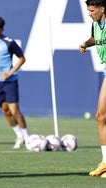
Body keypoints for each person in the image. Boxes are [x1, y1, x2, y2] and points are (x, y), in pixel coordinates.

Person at [0, 17, 30, 149]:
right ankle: (19, 136)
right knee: (5, 110)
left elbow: (22, 59)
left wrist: (9, 73)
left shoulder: (9, 43)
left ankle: (28, 138)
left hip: (10, 81)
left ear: (2, 29)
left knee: (14, 110)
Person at [79, 0, 106, 178]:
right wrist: (85, 44)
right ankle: (105, 162)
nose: (89, 13)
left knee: (101, 115)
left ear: (102, 9)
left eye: (92, 10)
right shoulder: (96, 23)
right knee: (100, 116)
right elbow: (96, 39)